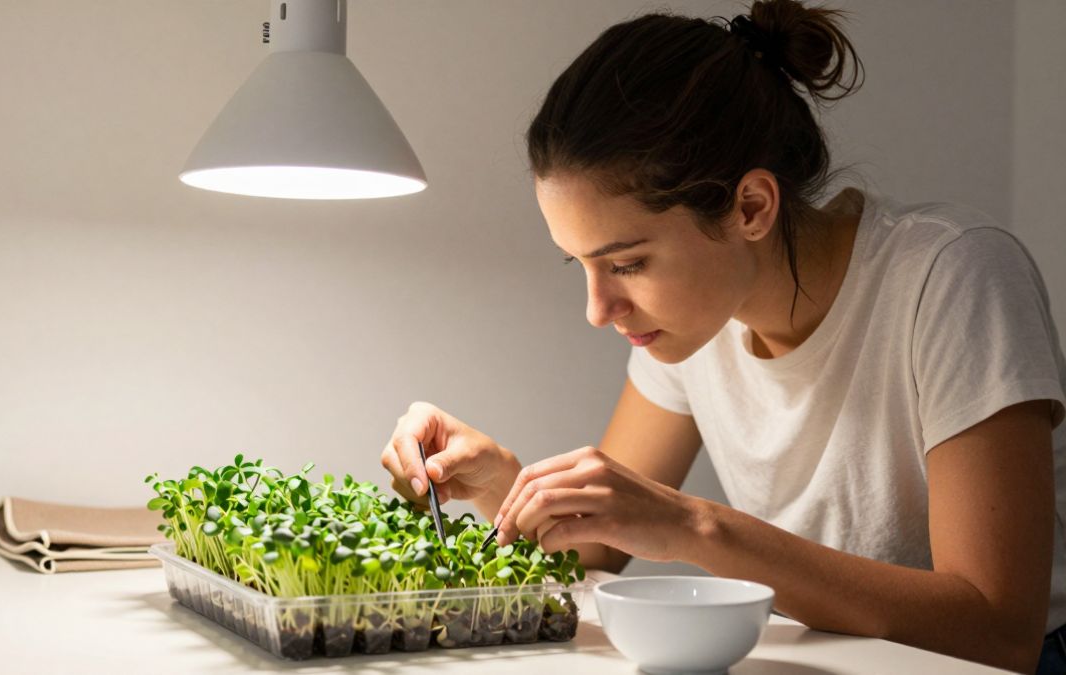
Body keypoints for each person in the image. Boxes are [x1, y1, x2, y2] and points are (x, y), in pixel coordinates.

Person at [379, 2, 1066, 673]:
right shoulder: (693, 323)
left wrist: (696, 527)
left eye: (626, 263)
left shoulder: (954, 276)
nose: (598, 308)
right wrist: (504, 480)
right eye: (583, 265)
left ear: (751, 207)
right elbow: (598, 553)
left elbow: (1000, 632)